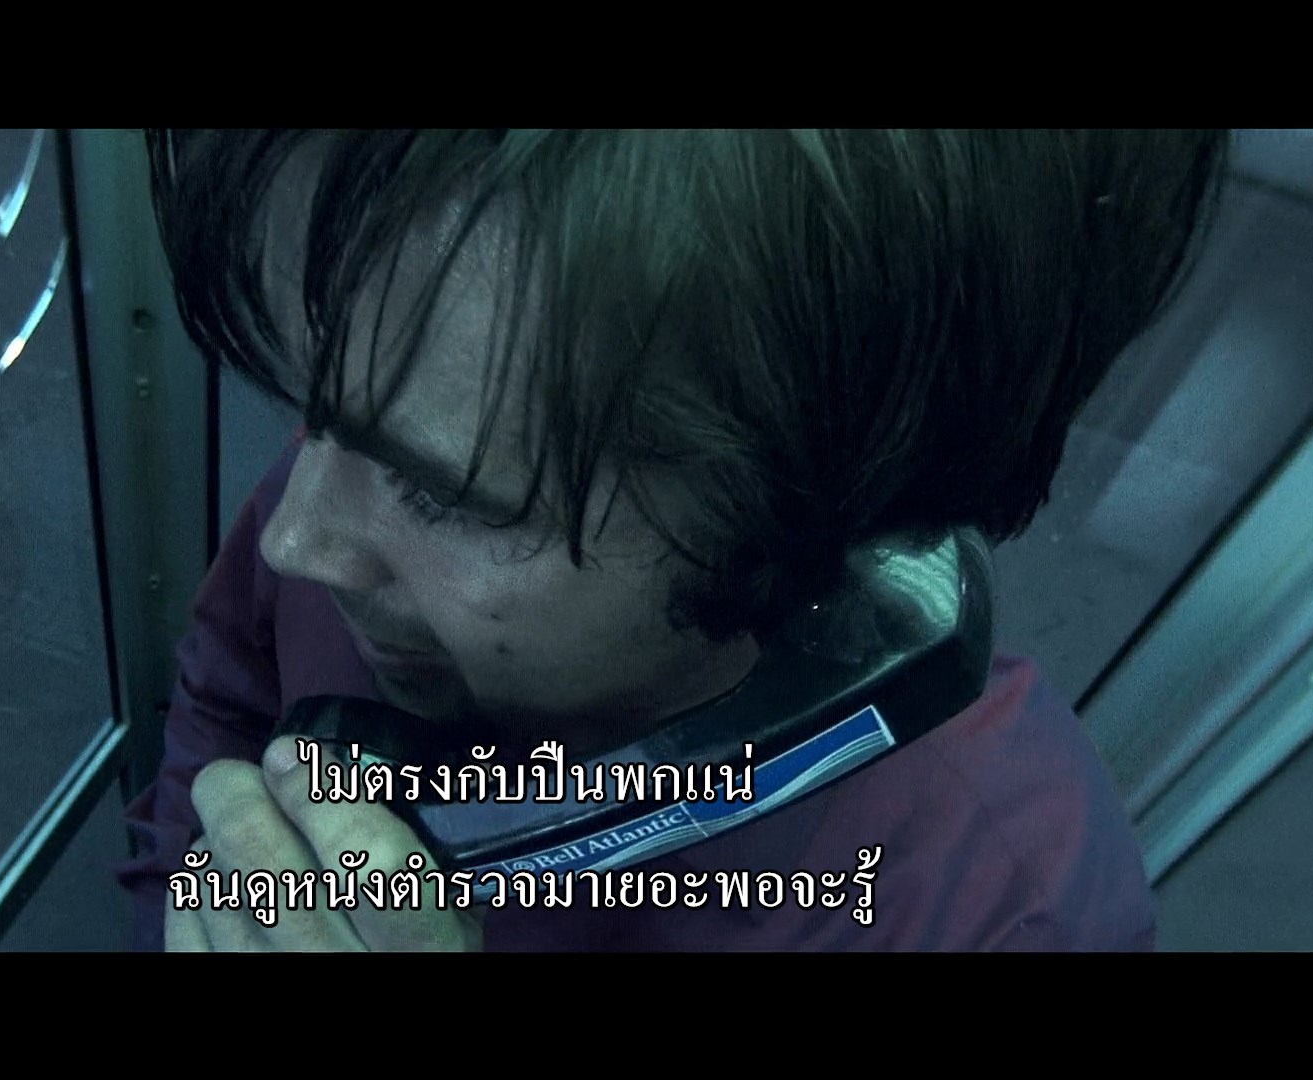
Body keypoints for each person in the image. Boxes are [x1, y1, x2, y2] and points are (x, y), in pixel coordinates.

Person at [117, 129, 1230, 951]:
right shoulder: (363, 493)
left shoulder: (1000, 908)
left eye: (441, 496)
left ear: (791, 514)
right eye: (310, 404)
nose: (296, 536)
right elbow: (224, 701)